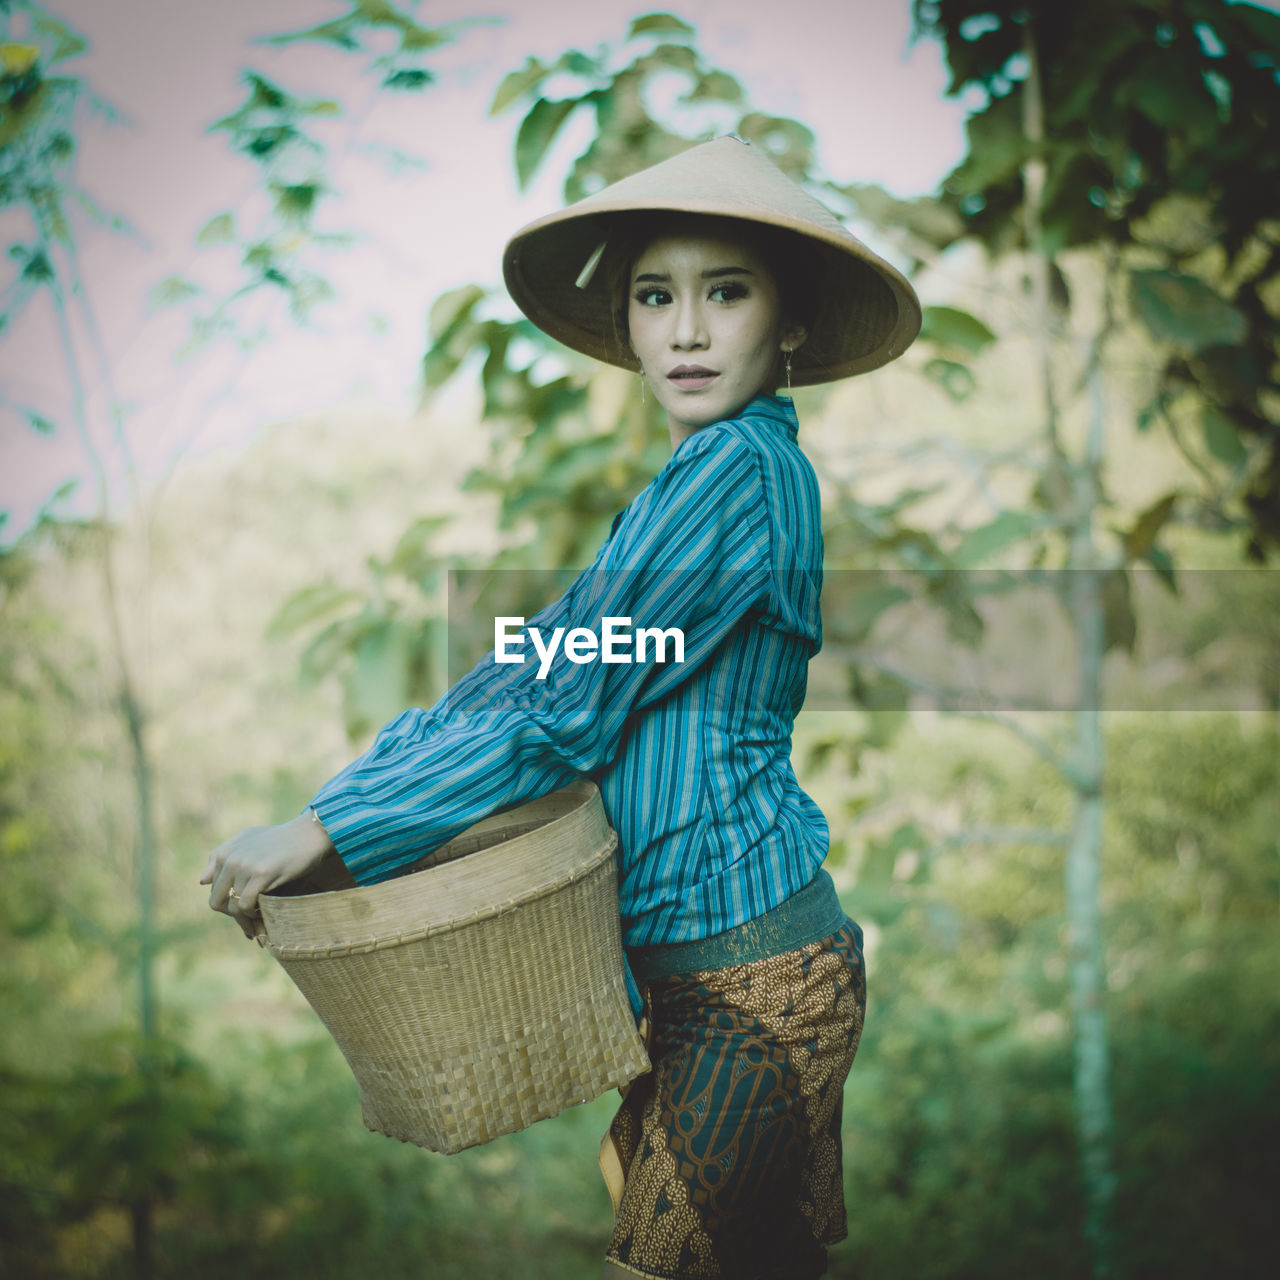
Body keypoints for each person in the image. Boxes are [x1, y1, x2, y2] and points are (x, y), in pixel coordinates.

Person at [202, 134, 920, 1280]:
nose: (685, 329)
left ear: (786, 323)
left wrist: (327, 829)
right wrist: (334, 817)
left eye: (723, 292)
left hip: (757, 980)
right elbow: (535, 659)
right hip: (674, 984)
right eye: (655, 296)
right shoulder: (677, 492)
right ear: (629, 324)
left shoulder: (739, 472)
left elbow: (564, 702)